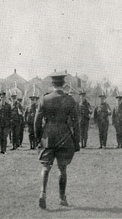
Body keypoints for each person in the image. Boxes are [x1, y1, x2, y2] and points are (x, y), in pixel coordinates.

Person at [34, 72, 80, 209]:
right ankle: (62, 198)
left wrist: (39, 138)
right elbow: (76, 122)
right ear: (63, 84)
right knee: (62, 168)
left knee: (45, 166)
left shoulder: (44, 99)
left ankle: (42, 193)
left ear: (52, 84)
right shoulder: (70, 100)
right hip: (64, 137)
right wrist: (76, 141)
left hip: (48, 136)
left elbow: (36, 121)